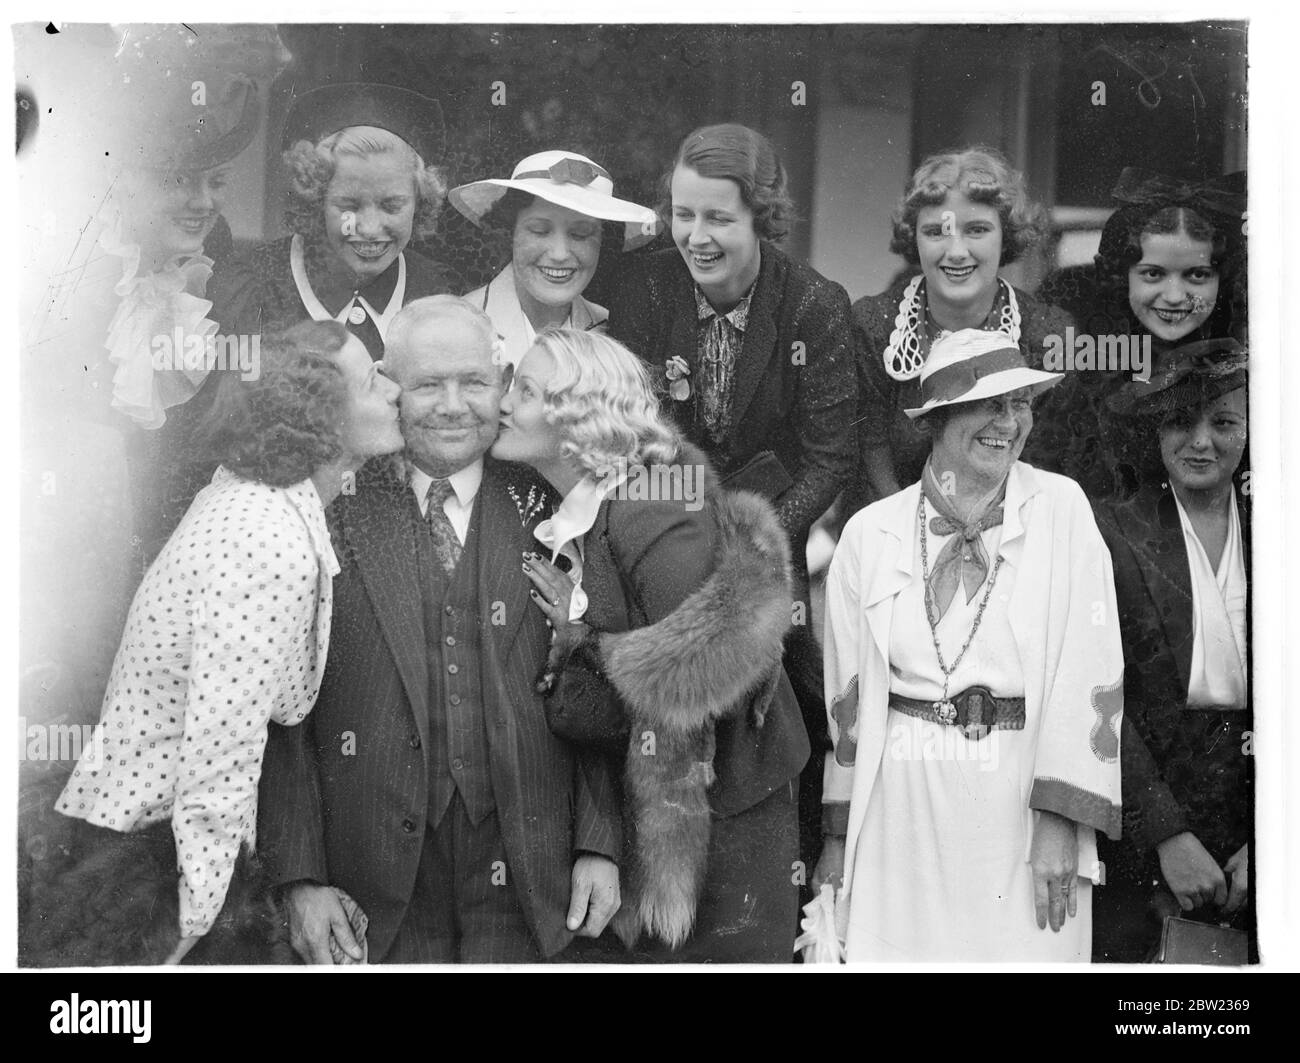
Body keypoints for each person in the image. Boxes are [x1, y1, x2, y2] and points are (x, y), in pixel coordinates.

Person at [21, 320, 404, 966]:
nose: (394, 391)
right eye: (373, 381)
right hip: (148, 877)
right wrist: (190, 933)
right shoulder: (265, 532)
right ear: (324, 422)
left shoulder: (260, 501)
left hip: (151, 853)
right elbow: (219, 760)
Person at [256, 296, 622, 964]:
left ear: (504, 382)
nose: (454, 405)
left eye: (474, 383)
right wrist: (300, 877)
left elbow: (596, 674)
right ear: (392, 386)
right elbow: (285, 714)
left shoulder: (556, 500)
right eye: (427, 384)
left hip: (526, 860)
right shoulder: (329, 509)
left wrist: (599, 840)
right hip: (373, 872)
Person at [496, 328, 809, 961]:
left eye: (524, 391)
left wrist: (581, 644)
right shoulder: (591, 500)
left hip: (729, 805)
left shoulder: (651, 504)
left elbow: (712, 669)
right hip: (671, 795)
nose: (504, 403)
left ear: (576, 416)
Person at [815, 328, 1124, 961]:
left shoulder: (1062, 509)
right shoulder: (870, 535)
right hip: (901, 798)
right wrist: (837, 837)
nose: (1008, 423)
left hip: (1021, 795)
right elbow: (844, 705)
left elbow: (1091, 667)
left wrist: (1062, 820)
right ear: (937, 419)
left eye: (1020, 404)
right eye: (989, 405)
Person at [605, 122, 854, 878]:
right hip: (665, 520)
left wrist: (751, 544)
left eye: (719, 217)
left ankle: (785, 867)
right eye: (684, 214)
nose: (697, 236)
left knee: (799, 687)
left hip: (771, 539)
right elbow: (635, 421)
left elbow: (831, 456)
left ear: (761, 216)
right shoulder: (644, 286)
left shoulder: (813, 303)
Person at [1091, 340, 1253, 963]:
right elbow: (1094, 688)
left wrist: (1270, 839)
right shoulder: (1112, 528)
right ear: (1153, 431)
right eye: (1181, 421)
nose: (1202, 442)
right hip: (1146, 832)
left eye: (1224, 422)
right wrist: (1166, 834)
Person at [850, 146, 1074, 512]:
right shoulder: (875, 327)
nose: (956, 252)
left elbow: (1047, 467)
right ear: (915, 237)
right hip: (895, 532)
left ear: (1006, 236)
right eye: (937, 231)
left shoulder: (1047, 332)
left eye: (976, 230)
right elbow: (870, 458)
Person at [1039, 168, 1247, 501]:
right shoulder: (1087, 366)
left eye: (1197, 275)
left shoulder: (1237, 365)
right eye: (1153, 274)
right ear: (1124, 277)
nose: (1175, 295)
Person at [210, 82, 453, 360]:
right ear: (316, 200)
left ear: (420, 202)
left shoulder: (439, 291)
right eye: (349, 206)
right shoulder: (252, 288)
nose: (370, 228)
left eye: (392, 206)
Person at [448, 150, 658, 367]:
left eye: (580, 235)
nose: (559, 254)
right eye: (539, 231)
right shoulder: (454, 326)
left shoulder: (613, 332)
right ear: (509, 233)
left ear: (603, 243)